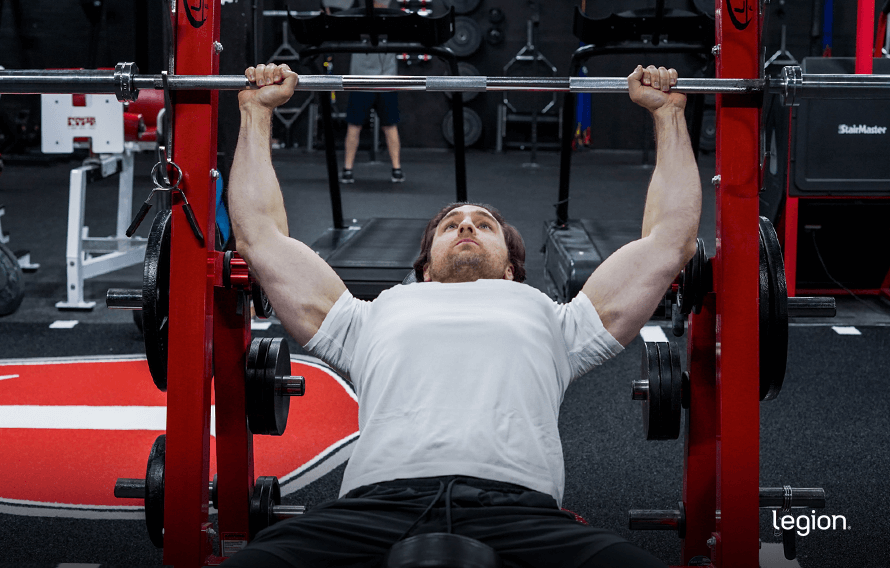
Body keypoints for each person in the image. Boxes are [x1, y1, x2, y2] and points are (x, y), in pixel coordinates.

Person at [224, 61, 700, 567]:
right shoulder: (368, 317)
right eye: (452, 224)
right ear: (425, 270)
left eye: (484, 225)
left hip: (522, 512)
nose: (467, 226)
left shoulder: (556, 321)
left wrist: (668, 115)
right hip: (372, 509)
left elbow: (669, 241)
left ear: (514, 271)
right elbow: (259, 237)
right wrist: (255, 112)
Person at [340, 0, 404, 184]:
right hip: (361, 80)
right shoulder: (357, 16)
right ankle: (347, 169)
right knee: (354, 126)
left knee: (390, 127)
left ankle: (397, 169)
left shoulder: (392, 18)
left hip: (386, 80)